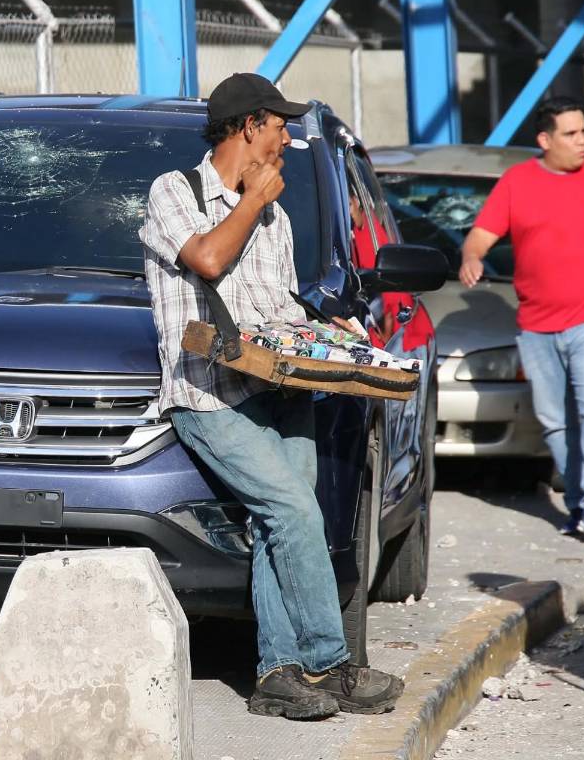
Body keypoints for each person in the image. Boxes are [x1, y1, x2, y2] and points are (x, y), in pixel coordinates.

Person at [138, 72, 405, 721]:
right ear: (246, 126)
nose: (286, 139)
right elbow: (205, 259)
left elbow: (277, 308)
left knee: (276, 524)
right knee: (293, 513)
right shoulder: (176, 192)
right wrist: (251, 201)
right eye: (279, 125)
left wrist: (326, 331)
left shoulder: (278, 216)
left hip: (280, 388)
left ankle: (277, 674)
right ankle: (330, 662)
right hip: (209, 394)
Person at [460, 96, 584, 541]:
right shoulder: (517, 182)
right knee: (554, 420)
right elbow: (480, 235)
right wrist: (472, 258)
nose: (582, 141)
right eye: (571, 134)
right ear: (545, 140)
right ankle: (576, 502)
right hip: (537, 324)